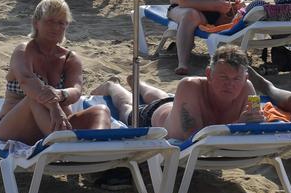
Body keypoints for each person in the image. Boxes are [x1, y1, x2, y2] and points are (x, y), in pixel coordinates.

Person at [0, 0, 111, 145]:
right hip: (15, 128)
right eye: (50, 21)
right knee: (34, 98)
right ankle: (68, 148)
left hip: (57, 125)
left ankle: (98, 150)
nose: (56, 27)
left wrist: (60, 94)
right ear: (36, 23)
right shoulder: (24, 51)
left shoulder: (69, 58)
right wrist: (54, 106)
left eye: (61, 23)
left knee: (101, 111)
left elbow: (76, 91)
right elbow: (27, 81)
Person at [92, 45, 263, 140]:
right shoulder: (189, 85)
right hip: (155, 118)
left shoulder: (248, 88)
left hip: (179, 105)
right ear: (208, 74)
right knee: (127, 108)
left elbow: (257, 124)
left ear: (246, 77)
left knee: (166, 98)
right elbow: (193, 136)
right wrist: (239, 124)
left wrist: (255, 119)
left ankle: (139, 84)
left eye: (236, 79)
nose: (230, 85)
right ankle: (112, 85)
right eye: (224, 77)